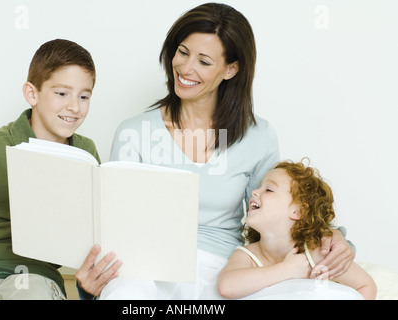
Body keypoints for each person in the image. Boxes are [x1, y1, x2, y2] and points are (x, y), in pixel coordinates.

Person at [77, 2, 354, 299]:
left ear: (231, 69)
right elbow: (117, 224)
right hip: (147, 268)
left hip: (222, 270)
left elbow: (277, 214)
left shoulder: (258, 136)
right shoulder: (133, 132)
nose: (186, 68)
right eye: (182, 52)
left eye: (204, 62)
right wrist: (88, 287)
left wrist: (332, 236)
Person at [0, 39, 121, 299]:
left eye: (84, 96)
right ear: (32, 94)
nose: (74, 106)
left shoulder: (85, 153)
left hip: (35, 275)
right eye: (62, 93)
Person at [218, 159, 377, 300]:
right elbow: (226, 287)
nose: (254, 192)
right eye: (259, 187)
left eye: (269, 189)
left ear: (297, 212)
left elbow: (366, 285)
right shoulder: (248, 255)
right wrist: (286, 270)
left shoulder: (315, 255)